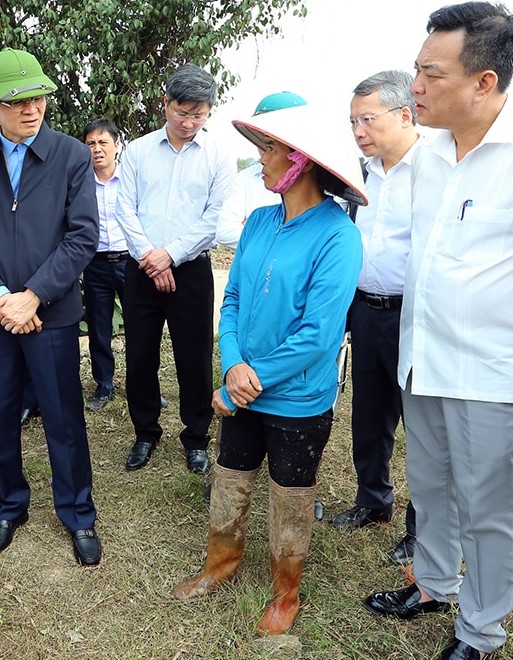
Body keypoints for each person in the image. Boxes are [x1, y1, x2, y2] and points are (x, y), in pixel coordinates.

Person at [364, 2, 513, 660]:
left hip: (497, 376)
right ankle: (433, 582)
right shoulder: (429, 158)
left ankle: (480, 632)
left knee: (492, 510)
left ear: (484, 82)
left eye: (430, 73)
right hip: (424, 362)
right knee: (434, 486)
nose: (414, 87)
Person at [172, 101, 365, 638]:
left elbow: (318, 337)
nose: (260, 161)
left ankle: (286, 594)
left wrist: (245, 383)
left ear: (300, 161)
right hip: (244, 389)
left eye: (270, 150)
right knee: (229, 480)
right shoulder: (258, 221)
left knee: (292, 496)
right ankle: (219, 567)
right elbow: (231, 299)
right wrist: (232, 362)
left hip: (298, 399)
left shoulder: (338, 236)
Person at [0, 48, 101, 566]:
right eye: (15, 102)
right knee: (1, 414)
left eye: (37, 98)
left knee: (63, 416)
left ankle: (78, 512)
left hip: (50, 315)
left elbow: (82, 238)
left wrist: (33, 295)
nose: (30, 109)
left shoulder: (70, 156)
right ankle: (9, 506)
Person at [116, 64, 236, 475]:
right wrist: (152, 257)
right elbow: (125, 209)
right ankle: (146, 431)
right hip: (141, 269)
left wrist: (172, 255)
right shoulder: (137, 150)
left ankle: (196, 436)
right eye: (182, 112)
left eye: (198, 115)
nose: (188, 122)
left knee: (194, 356)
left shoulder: (218, 155)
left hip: (191, 272)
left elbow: (214, 217)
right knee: (140, 354)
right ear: (164, 103)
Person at [329, 71, 420, 567]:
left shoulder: (435, 170)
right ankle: (372, 499)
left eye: (368, 119)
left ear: (405, 115)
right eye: (352, 122)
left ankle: (421, 529)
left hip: (415, 316)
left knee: (422, 426)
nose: (359, 131)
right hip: (366, 309)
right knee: (369, 415)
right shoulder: (358, 175)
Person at [214, 92, 304, 251]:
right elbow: (225, 232)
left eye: (271, 145)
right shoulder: (246, 178)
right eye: (260, 136)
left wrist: (253, 232)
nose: (263, 150)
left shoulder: (321, 187)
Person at [80, 118, 126, 411]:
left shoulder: (133, 181)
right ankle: (103, 384)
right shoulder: (81, 184)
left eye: (103, 142)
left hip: (130, 261)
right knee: (99, 326)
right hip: (94, 263)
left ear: (116, 146)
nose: (97, 149)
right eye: (91, 144)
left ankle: (144, 385)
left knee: (142, 327)